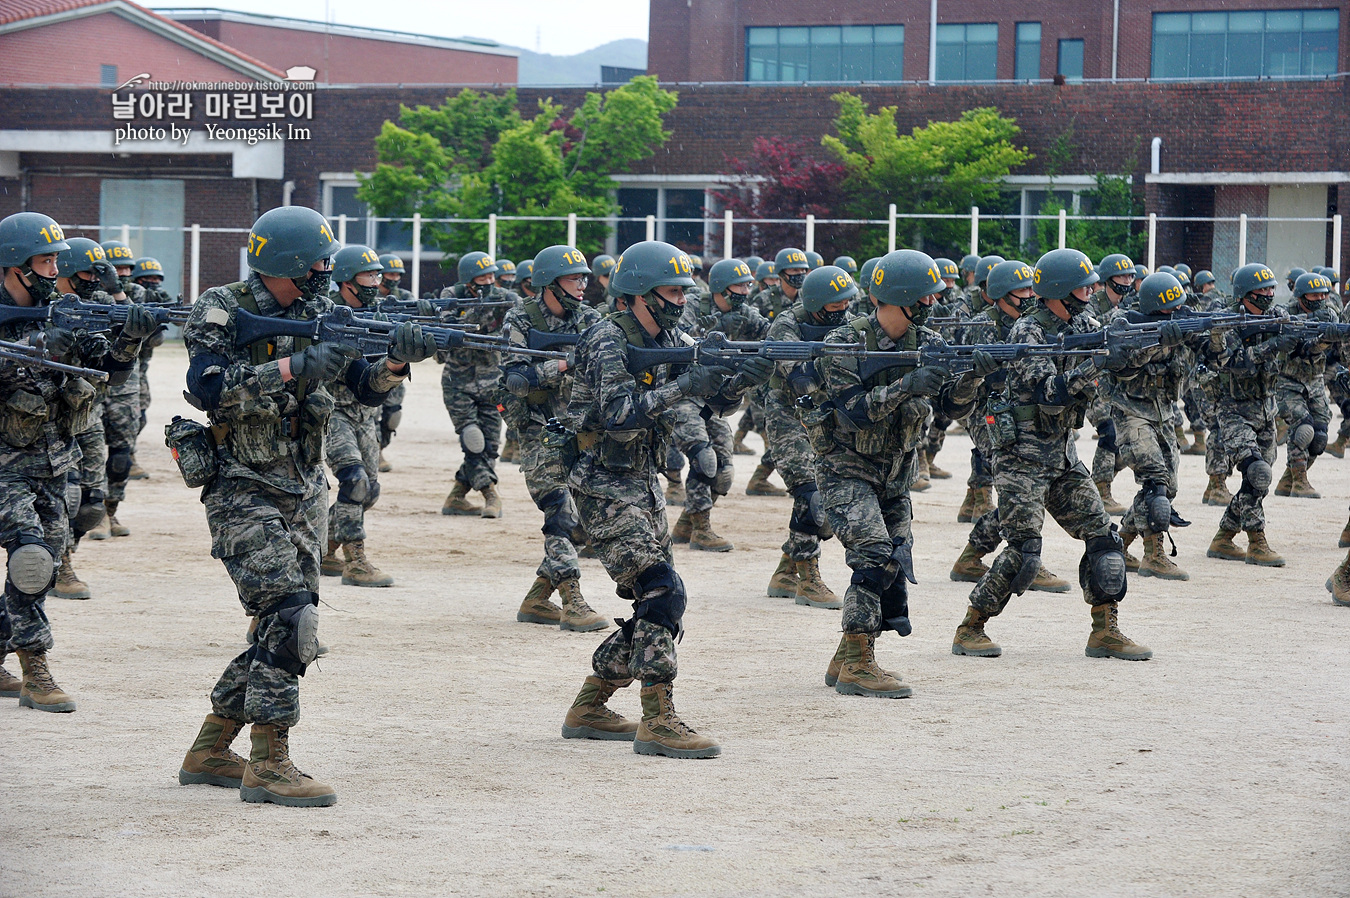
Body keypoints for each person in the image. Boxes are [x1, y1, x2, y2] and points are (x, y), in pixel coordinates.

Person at [176, 206, 435, 806]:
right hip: (240, 484)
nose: (327, 269)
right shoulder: (221, 306)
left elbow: (363, 385)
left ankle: (211, 746)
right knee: (294, 620)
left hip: (304, 489)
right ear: (289, 262)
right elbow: (208, 387)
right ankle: (270, 762)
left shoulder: (323, 312)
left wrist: (396, 361)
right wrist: (290, 366)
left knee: (282, 627)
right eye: (319, 260)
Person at [559, 240, 771, 758]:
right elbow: (619, 414)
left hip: (644, 484)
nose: (682, 299)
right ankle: (658, 719)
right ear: (639, 294)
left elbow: (701, 399)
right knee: (662, 589)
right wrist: (686, 385)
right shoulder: (606, 339)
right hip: (601, 484)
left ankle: (591, 703)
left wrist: (738, 379)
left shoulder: (674, 336)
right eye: (673, 290)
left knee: (658, 605)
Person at [800, 249, 987, 696]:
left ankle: (847, 653)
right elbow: (854, 415)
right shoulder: (844, 345)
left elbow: (951, 409)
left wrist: (972, 377)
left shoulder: (926, 343)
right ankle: (860, 664)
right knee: (874, 555)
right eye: (925, 299)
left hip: (895, 475)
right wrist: (907, 384)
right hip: (846, 471)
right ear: (903, 298)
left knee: (893, 563)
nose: (932, 306)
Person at [951, 248, 1151, 661]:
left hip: (1060, 454)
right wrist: (1095, 363)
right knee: (1024, 550)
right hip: (1020, 455)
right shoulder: (1027, 330)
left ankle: (1104, 630)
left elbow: (1123, 369)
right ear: (1060, 291)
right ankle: (971, 627)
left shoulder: (1084, 321)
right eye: (1083, 287)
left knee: (1104, 540)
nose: (1091, 291)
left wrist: (1137, 348)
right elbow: (1050, 393)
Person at [0, 211, 155, 711]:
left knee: (42, 566)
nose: (53, 271)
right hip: (5, 465)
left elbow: (107, 364)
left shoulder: (62, 309)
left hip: (53, 462)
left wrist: (130, 336)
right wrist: (41, 345)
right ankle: (36, 668)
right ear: (14, 267)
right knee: (30, 557)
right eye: (44, 261)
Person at [947, 260, 1071, 594]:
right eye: (1022, 292)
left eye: (1032, 290)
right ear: (1001, 296)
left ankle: (972, 555)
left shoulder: (1035, 324)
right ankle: (1020, 552)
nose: (1030, 297)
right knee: (1021, 486)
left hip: (1017, 413)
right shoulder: (981, 326)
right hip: (986, 413)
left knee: (1023, 491)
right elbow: (962, 381)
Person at [500, 244, 607, 631]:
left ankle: (536, 599)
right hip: (538, 430)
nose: (582, 285)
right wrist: (564, 364)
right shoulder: (520, 319)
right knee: (559, 512)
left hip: (581, 430)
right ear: (548, 282)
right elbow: (515, 379)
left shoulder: (592, 318)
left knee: (582, 519)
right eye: (573, 278)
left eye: (583, 278)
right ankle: (572, 599)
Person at [762, 264, 856, 608]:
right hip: (788, 413)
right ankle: (807, 577)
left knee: (829, 507)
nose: (843, 311)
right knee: (810, 494)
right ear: (816, 304)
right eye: (835, 306)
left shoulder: (846, 321)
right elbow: (799, 377)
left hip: (826, 415)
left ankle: (786, 569)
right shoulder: (786, 325)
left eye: (845, 304)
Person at [1102, 272, 1197, 580]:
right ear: (1156, 309)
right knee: (1155, 482)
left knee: (1167, 487)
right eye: (1171, 310)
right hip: (1131, 413)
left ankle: (1122, 542)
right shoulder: (1125, 327)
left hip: (1164, 413)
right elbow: (1123, 365)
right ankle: (1154, 555)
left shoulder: (1177, 328)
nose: (1178, 314)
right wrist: (1160, 342)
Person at [670, 258, 770, 550]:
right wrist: (714, 327)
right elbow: (675, 338)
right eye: (738, 286)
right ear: (719, 288)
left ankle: (685, 524)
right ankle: (702, 529)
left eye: (747, 285)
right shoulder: (690, 305)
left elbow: (772, 334)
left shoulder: (746, 314)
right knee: (704, 457)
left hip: (714, 399)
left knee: (724, 470)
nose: (744, 292)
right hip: (681, 393)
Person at [319, 245, 398, 587]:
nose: (375, 282)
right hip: (332, 410)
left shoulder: (378, 314)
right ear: (346, 280)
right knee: (354, 481)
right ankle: (356, 561)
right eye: (369, 275)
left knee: (371, 490)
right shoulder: (325, 314)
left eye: (377, 275)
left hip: (365, 412)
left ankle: (324, 547)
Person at [1203, 263, 1291, 567]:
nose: (1269, 294)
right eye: (1263, 289)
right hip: (1233, 411)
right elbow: (1233, 362)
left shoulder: (1273, 317)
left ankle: (1224, 536)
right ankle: (1257, 542)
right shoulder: (1226, 321)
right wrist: (1273, 345)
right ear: (1245, 293)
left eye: (1271, 288)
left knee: (1258, 483)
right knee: (1257, 472)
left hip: (1266, 410)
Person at [439, 251, 517, 518]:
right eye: (482, 276)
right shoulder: (452, 295)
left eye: (491, 275)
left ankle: (457, 496)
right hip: (457, 382)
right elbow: (446, 329)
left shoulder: (505, 298)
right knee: (473, 440)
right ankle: (490, 493)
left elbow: (517, 326)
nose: (489, 281)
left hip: (492, 383)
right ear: (469, 280)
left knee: (490, 445)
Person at [1272, 271, 1339, 499]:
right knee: (1303, 428)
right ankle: (1300, 482)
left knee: (1319, 437)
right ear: (1301, 296)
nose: (1320, 299)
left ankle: (1287, 481)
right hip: (1288, 381)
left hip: (1315, 381)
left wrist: (1332, 336)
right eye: (1314, 295)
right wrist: (1322, 342)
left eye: (1323, 294)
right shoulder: (1285, 314)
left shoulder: (1329, 314)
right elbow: (1301, 349)